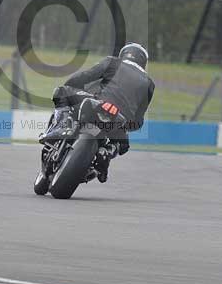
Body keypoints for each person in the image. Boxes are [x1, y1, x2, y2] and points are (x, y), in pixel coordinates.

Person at [42, 42, 154, 182]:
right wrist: (125, 126)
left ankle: (63, 125)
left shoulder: (113, 62)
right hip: (121, 120)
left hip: (98, 104)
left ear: (124, 54)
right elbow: (138, 120)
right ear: (143, 61)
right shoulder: (149, 83)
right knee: (123, 144)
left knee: (61, 92)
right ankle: (107, 151)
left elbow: (84, 77)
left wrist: (71, 86)